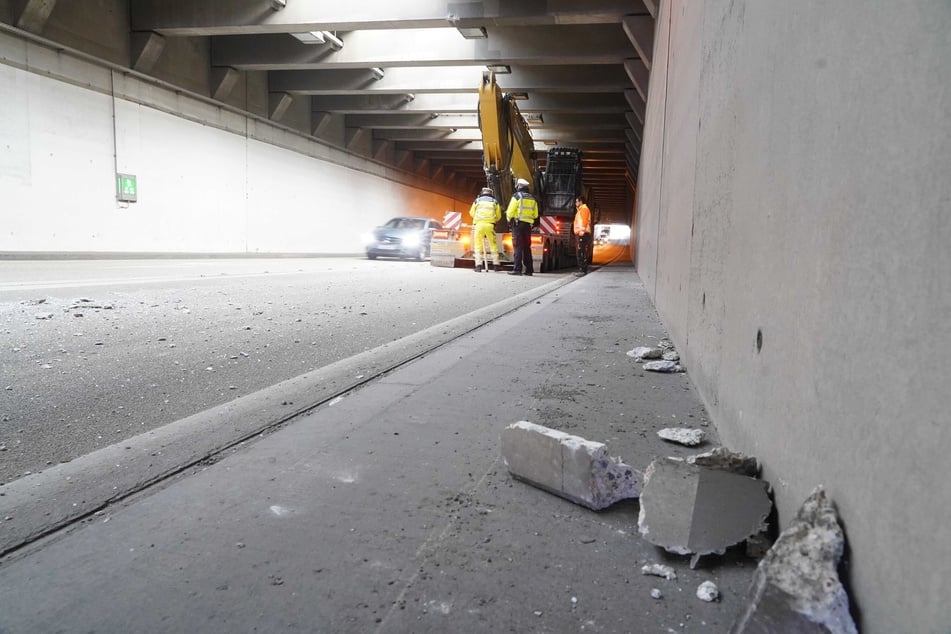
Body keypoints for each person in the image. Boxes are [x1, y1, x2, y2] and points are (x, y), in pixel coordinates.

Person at [505, 178, 539, 276]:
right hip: (528, 226)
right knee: (527, 248)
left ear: (519, 186)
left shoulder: (517, 196)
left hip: (518, 225)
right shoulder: (533, 198)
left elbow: (510, 211)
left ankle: (517, 269)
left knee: (518, 247)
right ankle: (529, 270)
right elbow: (536, 215)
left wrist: (509, 220)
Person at [469, 187, 502, 272]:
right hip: (490, 225)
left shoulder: (477, 200)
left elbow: (472, 212)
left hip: (479, 225)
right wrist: (493, 220)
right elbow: (498, 215)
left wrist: (478, 218)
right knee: (493, 245)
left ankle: (478, 266)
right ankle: (496, 265)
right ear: (491, 193)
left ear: (482, 192)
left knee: (478, 245)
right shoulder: (495, 201)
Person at [573, 196, 592, 275]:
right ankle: (582, 270)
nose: (576, 203)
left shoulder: (584, 209)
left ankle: (582, 270)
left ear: (581, 202)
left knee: (581, 252)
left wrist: (582, 231)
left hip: (583, 234)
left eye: (577, 201)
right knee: (582, 251)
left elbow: (584, 221)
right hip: (582, 233)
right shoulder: (581, 210)